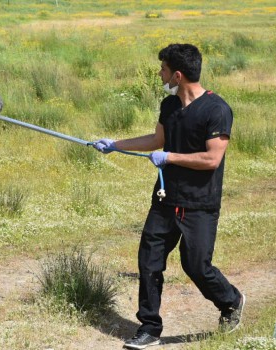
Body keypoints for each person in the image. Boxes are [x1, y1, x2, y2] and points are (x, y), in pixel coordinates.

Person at [93, 43, 244, 349]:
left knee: (197, 266)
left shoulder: (217, 110)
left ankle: (230, 301)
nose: (159, 74)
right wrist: (115, 144)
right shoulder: (169, 105)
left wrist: (170, 158)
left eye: (163, 69)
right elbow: (157, 139)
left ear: (177, 75)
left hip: (199, 203)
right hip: (164, 199)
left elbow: (212, 160)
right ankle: (149, 328)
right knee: (149, 262)